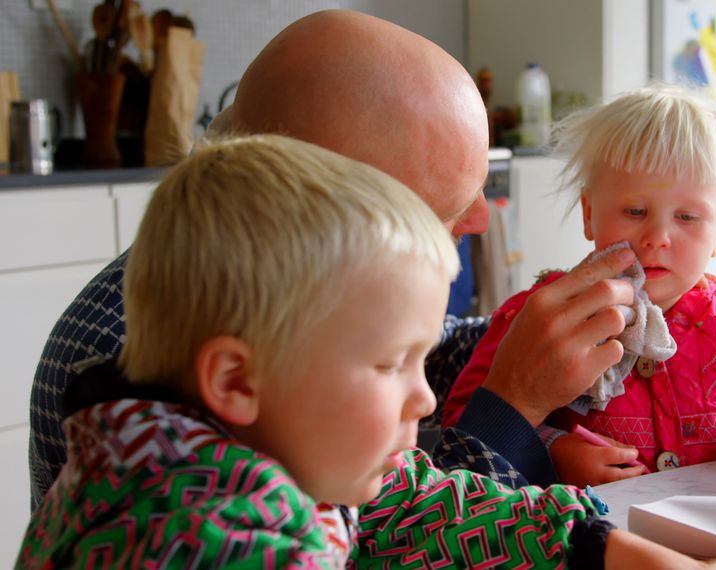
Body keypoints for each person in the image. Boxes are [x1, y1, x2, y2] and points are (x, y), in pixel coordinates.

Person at [20, 135, 716, 568]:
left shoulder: (267, 442)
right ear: (236, 378)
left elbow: (425, 507)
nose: (422, 396)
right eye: (393, 364)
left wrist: (609, 551)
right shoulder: (215, 542)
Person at [29, 9, 633, 506]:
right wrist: (513, 403)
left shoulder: (273, 280)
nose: (480, 220)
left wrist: (530, 331)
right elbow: (383, 536)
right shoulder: (146, 362)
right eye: (445, 206)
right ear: (324, 200)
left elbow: (425, 343)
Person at [444, 84, 716, 497]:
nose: (658, 236)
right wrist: (553, 452)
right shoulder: (543, 316)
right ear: (589, 214)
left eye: (687, 216)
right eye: (635, 211)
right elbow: (466, 420)